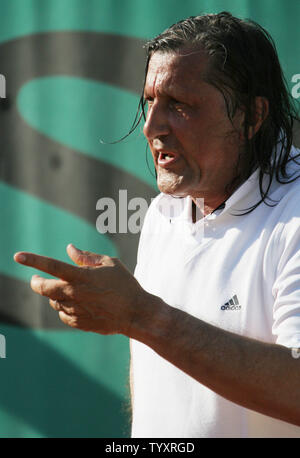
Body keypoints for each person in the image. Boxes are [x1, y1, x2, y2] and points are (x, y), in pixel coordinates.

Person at [14, 12, 300, 437]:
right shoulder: (165, 209)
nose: (151, 127)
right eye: (150, 102)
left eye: (180, 105)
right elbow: (157, 376)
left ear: (251, 116)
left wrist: (143, 316)